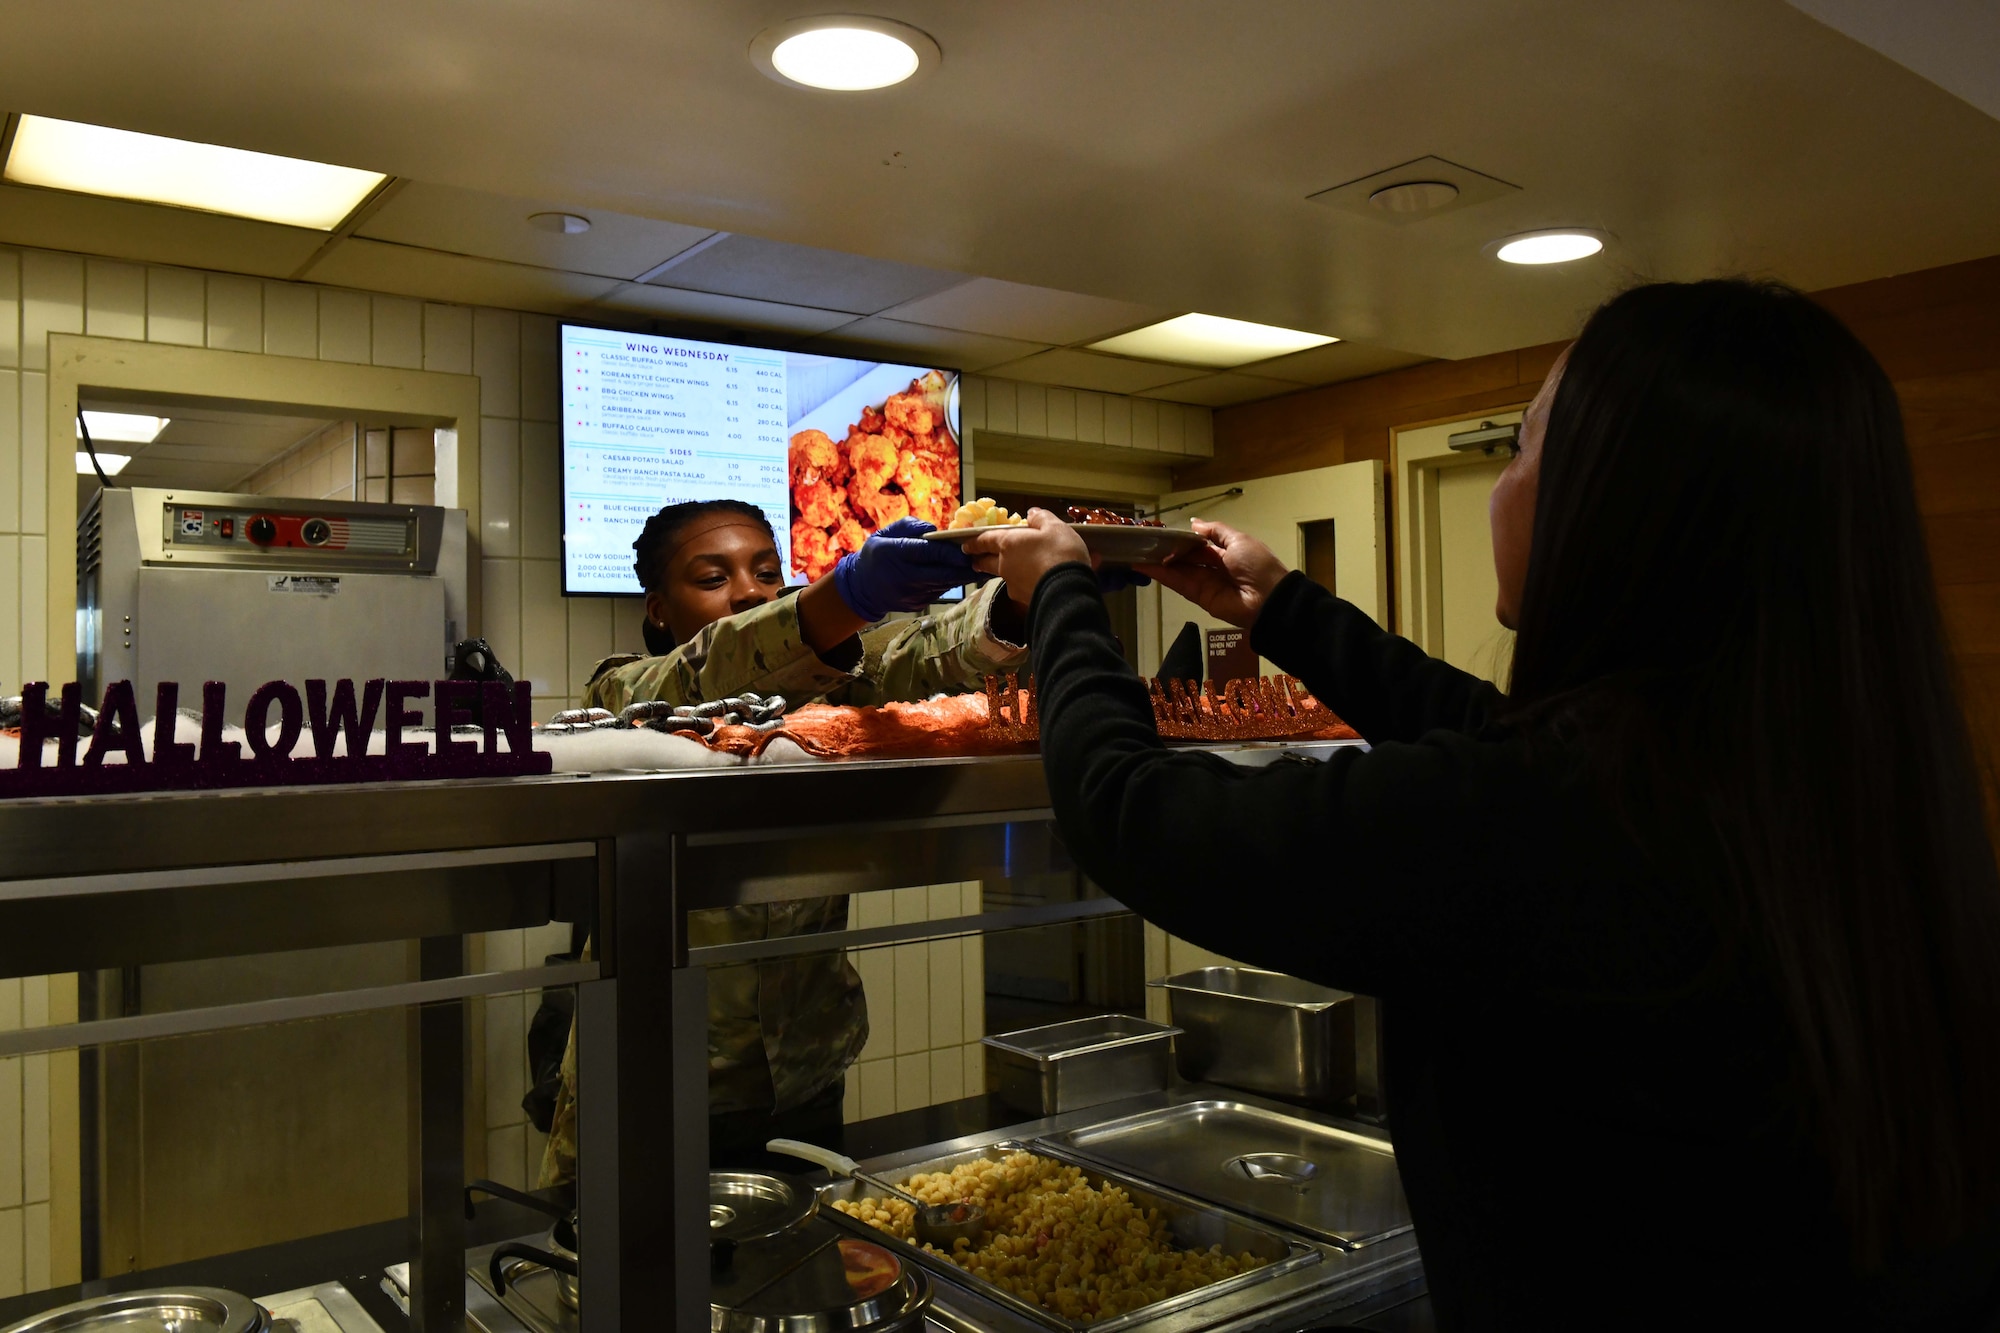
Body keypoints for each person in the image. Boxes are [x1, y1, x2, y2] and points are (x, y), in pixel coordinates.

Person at [964, 280, 2000, 1327]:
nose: (1505, 484)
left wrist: (1060, 591)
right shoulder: (1831, 783)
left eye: (1518, 448)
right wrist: (1285, 611)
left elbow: (1135, 813)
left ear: (1611, 505)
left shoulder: (1552, 826)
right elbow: (1498, 738)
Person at [539, 500, 1030, 1185]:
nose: (749, 590)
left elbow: (922, 658)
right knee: (629, 1283)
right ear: (657, 609)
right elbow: (717, 668)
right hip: (651, 1081)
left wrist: (1021, 601)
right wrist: (848, 594)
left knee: (796, 1273)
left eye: (768, 572)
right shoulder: (627, 694)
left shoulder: (829, 697)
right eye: (713, 577)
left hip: (805, 1080)